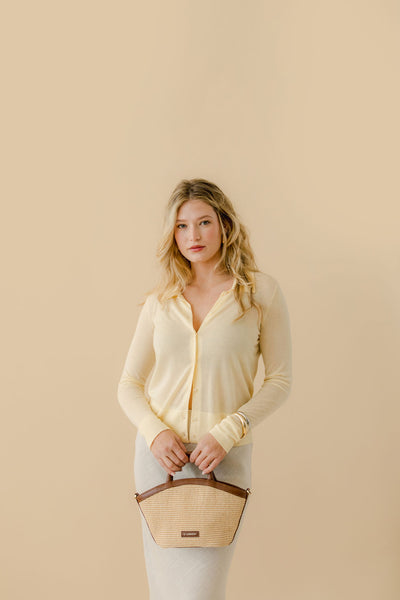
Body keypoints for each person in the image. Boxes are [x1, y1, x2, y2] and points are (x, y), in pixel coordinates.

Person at [117, 178, 293, 599]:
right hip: (161, 460)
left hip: (223, 458)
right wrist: (155, 433)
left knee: (200, 593)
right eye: (181, 226)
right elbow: (129, 384)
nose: (192, 235)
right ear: (172, 234)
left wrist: (229, 431)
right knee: (164, 591)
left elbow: (280, 380)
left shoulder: (260, 293)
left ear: (224, 225)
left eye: (203, 222)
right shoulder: (162, 301)